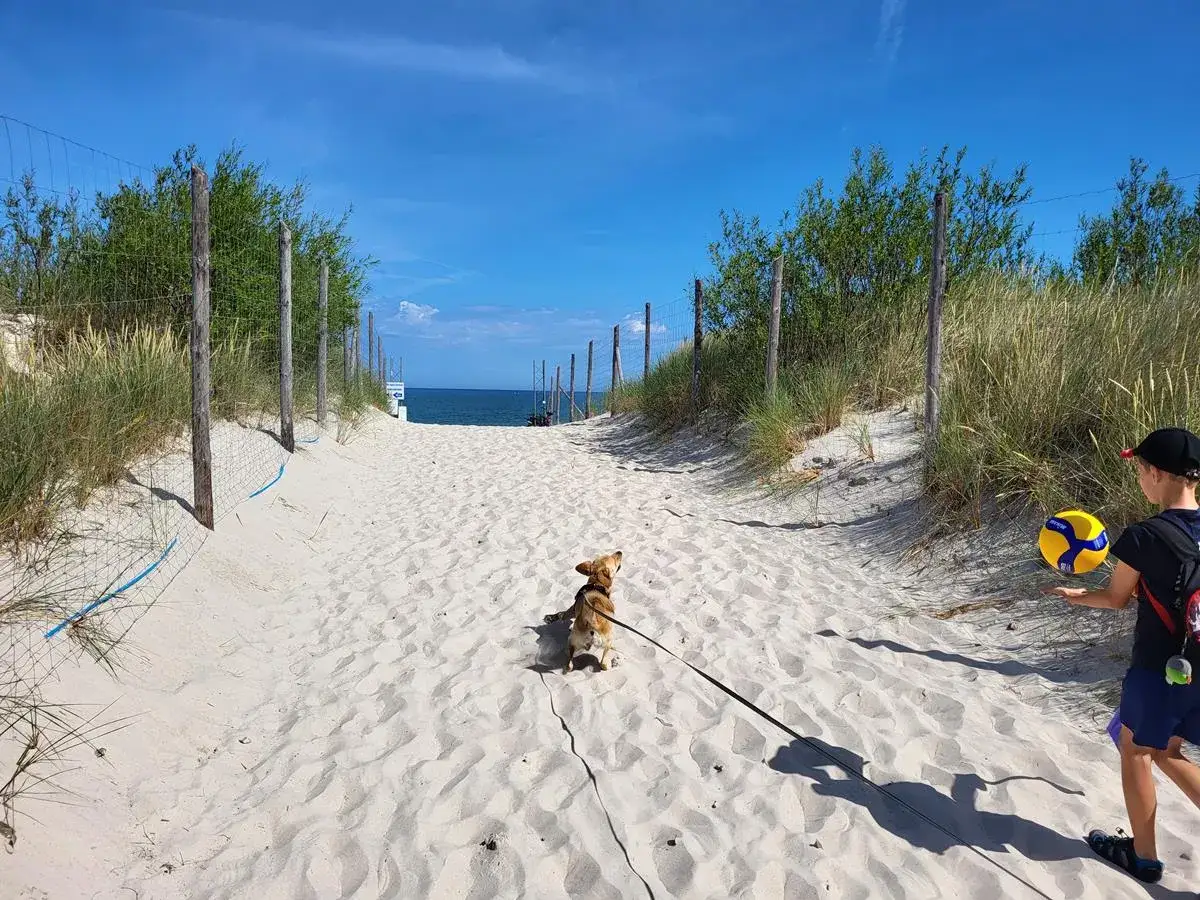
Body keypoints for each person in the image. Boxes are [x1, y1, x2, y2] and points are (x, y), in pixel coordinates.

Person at [1045, 427, 1200, 884]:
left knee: (1135, 749)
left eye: (1139, 471)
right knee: (1169, 749)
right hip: (1199, 666)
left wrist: (1076, 596)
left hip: (1159, 666)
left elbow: (1115, 598)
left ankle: (1144, 857)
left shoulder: (1144, 536)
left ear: (1156, 473)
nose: (1139, 480)